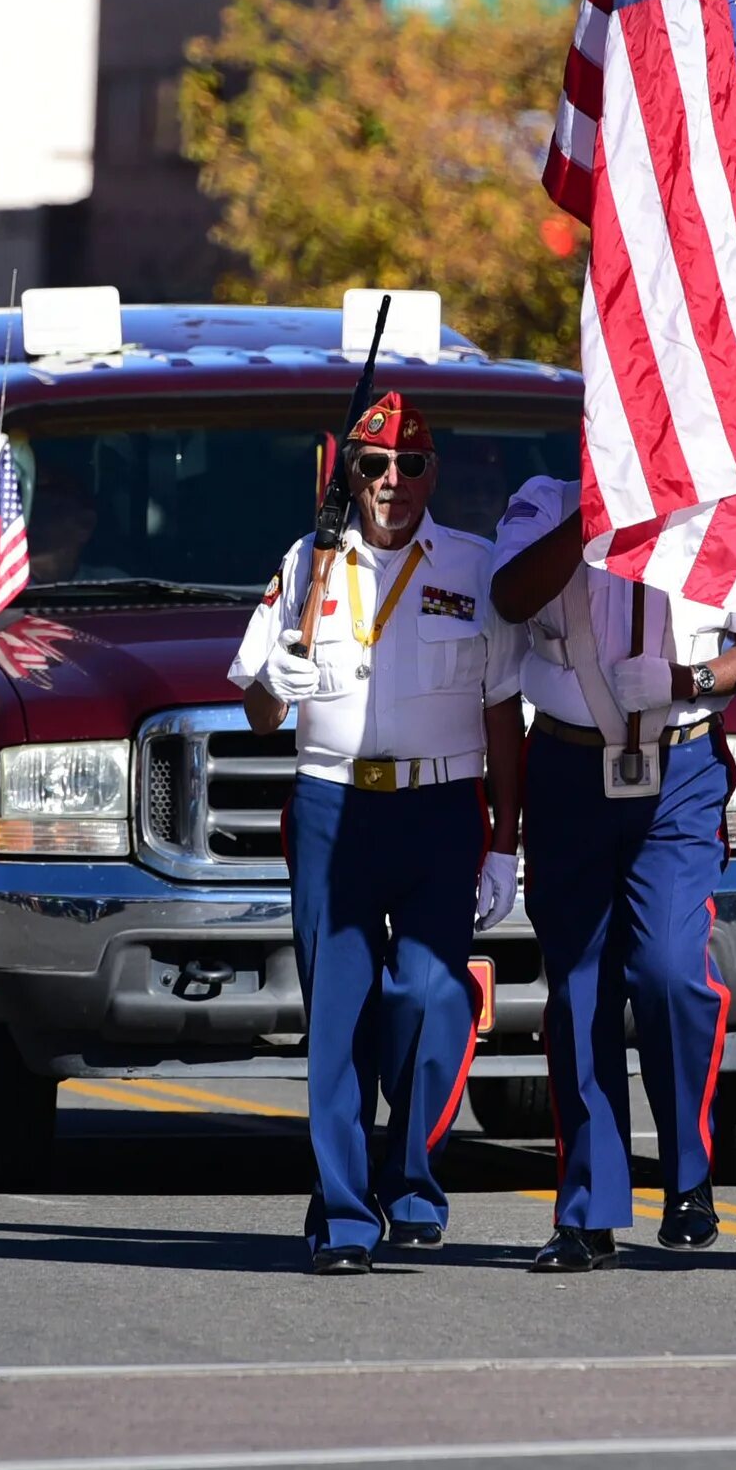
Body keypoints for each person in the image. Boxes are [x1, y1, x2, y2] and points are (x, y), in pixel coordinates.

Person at [231, 392, 524, 1276]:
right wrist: (274, 680)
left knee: (431, 999)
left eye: (411, 465)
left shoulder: (473, 567)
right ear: (348, 475)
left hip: (441, 810)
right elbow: (254, 706)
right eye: (374, 466)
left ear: (435, 473)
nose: (392, 483)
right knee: (338, 1019)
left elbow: (502, 710)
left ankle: (410, 1169)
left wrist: (506, 838)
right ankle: (346, 1216)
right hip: (333, 808)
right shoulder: (307, 561)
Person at [492, 470, 736, 1271]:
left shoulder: (727, 506)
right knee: (579, 989)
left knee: (674, 970)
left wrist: (692, 680)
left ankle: (688, 1175)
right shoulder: (544, 500)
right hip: (571, 768)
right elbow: (511, 595)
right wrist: (600, 508)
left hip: (679, 767)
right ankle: (589, 1209)